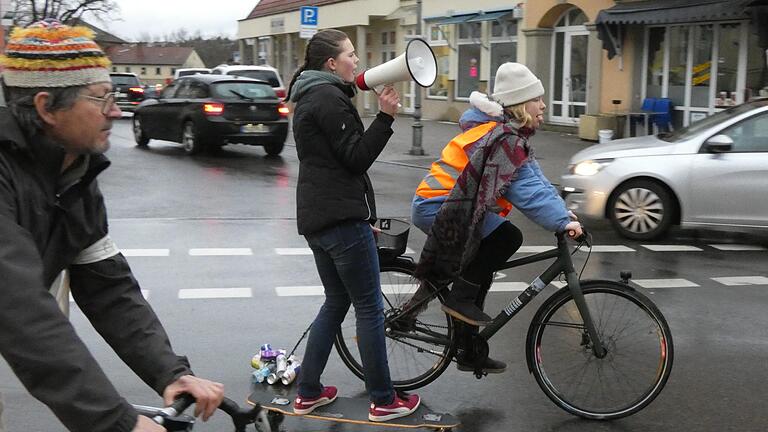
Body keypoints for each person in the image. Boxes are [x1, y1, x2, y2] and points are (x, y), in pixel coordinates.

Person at [0, 20, 224, 432]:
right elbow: (18, 308)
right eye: (101, 100)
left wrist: (169, 373)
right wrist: (117, 423)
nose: (117, 112)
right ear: (46, 107)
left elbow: (108, 287)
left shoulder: (74, 171)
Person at [409, 62, 582, 373]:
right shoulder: (499, 137)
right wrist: (561, 223)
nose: (543, 105)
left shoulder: (508, 135)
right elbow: (525, 189)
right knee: (506, 238)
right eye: (537, 99)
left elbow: (536, 179)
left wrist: (562, 212)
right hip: (438, 206)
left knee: (482, 271)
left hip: (452, 205)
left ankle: (468, 349)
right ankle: (458, 299)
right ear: (519, 104)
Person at [286, 29, 420, 422]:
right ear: (332, 63)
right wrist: (386, 117)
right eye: (350, 54)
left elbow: (333, 165)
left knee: (336, 301)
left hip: (319, 218)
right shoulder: (329, 98)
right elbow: (355, 158)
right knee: (368, 307)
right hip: (340, 220)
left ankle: (308, 391)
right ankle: (383, 400)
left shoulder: (310, 95)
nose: (357, 61)